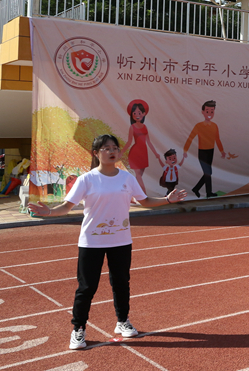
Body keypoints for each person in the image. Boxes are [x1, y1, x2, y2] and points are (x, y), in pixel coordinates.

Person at [27, 134, 187, 349]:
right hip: (91, 242)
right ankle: (78, 330)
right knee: (86, 287)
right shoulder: (87, 179)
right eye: (106, 148)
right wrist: (49, 212)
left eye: (114, 148)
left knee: (121, 283)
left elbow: (145, 201)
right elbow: (67, 207)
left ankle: (122, 321)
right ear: (96, 153)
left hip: (121, 240)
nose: (112, 151)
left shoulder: (127, 178)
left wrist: (168, 199)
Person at [184, 100, 225, 199]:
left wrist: (222, 151)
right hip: (202, 152)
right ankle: (207, 192)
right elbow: (190, 137)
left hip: (211, 151)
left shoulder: (214, 126)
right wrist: (185, 150)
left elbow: (217, 139)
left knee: (208, 173)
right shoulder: (199, 126)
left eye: (212, 111)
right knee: (208, 173)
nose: (210, 114)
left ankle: (198, 189)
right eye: (207, 111)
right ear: (202, 112)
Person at [121, 99, 161, 195]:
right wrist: (121, 152)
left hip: (144, 152)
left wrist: (156, 153)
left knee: (139, 176)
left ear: (143, 114)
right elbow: (129, 141)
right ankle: (144, 195)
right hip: (135, 152)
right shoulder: (132, 127)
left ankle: (129, 192)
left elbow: (149, 142)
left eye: (139, 112)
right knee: (138, 175)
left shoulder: (144, 127)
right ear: (132, 115)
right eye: (134, 113)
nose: (137, 115)